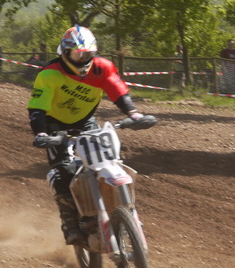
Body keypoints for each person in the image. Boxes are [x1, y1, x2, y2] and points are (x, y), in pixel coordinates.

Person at [27, 25, 146, 245]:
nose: (83, 59)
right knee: (64, 169)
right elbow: (37, 108)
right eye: (77, 55)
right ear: (65, 53)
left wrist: (134, 114)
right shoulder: (49, 74)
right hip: (54, 124)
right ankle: (70, 223)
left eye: (88, 54)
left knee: (107, 160)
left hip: (86, 121)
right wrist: (42, 133)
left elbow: (119, 92)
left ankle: (122, 211)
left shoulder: (102, 67)